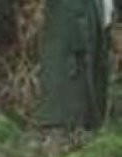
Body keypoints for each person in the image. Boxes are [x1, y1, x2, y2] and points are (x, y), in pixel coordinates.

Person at [39, 0, 116, 130]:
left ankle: (87, 126)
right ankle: (65, 127)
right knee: (70, 73)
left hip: (95, 16)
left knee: (94, 73)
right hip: (72, 22)